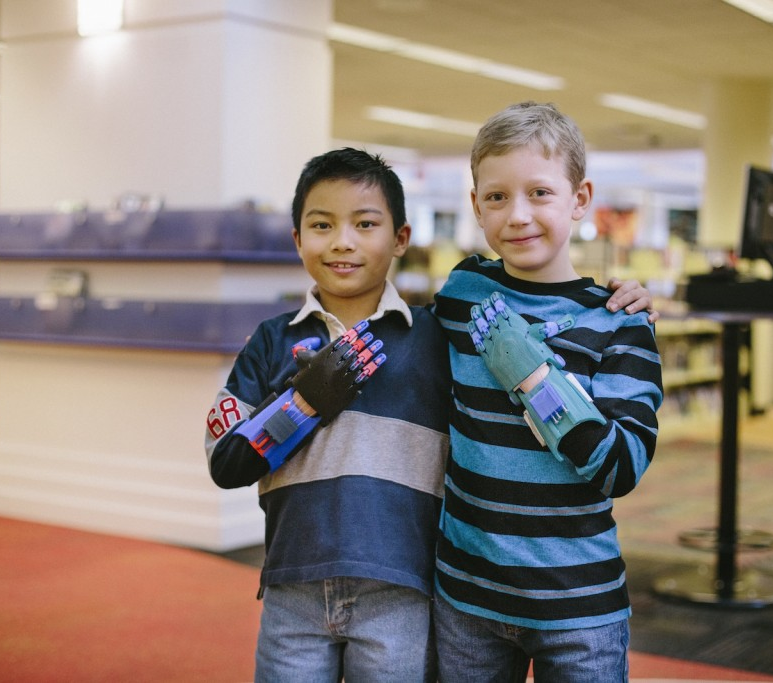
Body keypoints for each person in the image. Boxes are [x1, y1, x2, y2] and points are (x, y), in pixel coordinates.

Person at [204, 147, 658, 682]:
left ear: (401, 237)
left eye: (365, 223)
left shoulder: (434, 333)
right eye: (322, 225)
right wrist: (302, 405)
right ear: (297, 238)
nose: (343, 241)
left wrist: (615, 297)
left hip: (405, 590)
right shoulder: (271, 341)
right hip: (294, 582)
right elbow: (227, 464)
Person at [431, 101, 664, 682]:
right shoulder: (464, 295)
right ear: (476, 206)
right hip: (467, 599)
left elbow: (620, 467)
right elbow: (440, 310)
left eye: (540, 193)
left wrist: (533, 375)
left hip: (578, 606)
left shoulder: (621, 322)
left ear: (579, 200)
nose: (517, 215)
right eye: (496, 197)